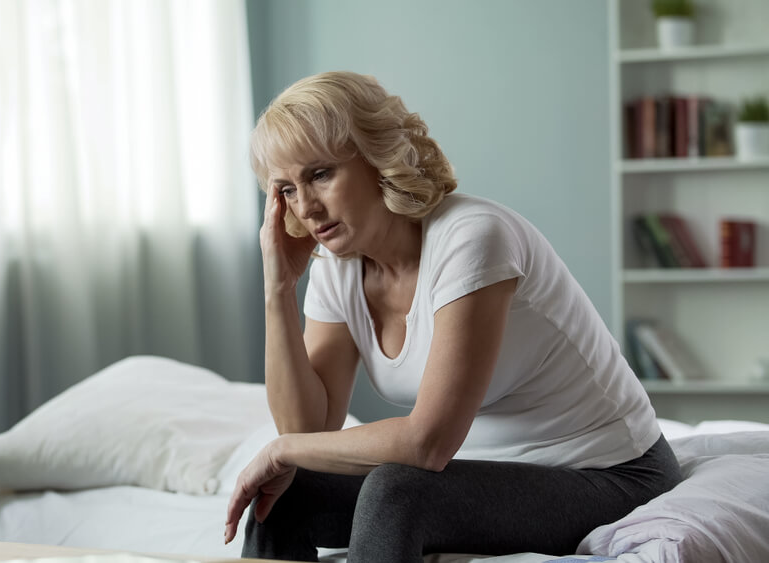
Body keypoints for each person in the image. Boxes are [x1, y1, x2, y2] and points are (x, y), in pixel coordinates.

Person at [222, 71, 682, 562]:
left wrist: (278, 451)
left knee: (394, 491)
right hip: (481, 476)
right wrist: (278, 288)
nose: (307, 207)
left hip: (608, 474)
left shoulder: (472, 237)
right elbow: (308, 429)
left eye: (320, 174)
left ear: (379, 157)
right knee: (286, 495)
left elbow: (426, 444)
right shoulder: (338, 265)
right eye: (287, 189)